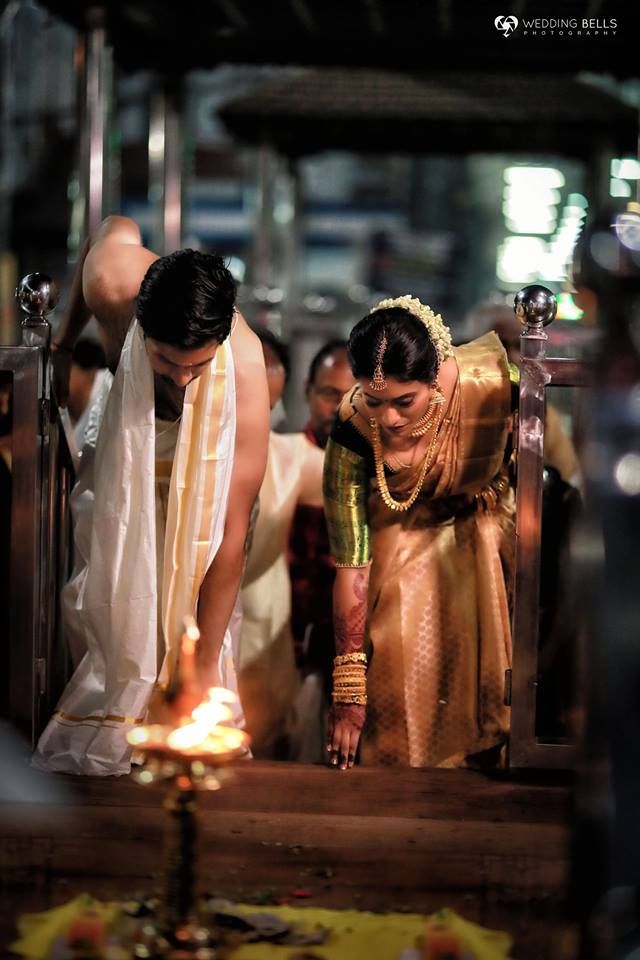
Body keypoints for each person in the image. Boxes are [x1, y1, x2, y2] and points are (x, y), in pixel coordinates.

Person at [32, 215, 270, 776]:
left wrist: (202, 669)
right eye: (168, 363)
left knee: (195, 625)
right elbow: (109, 227)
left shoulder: (247, 369)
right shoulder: (114, 285)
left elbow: (230, 538)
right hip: (127, 448)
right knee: (106, 599)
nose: (184, 380)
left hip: (207, 506)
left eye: (199, 366)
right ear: (139, 327)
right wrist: (64, 341)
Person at [323, 294, 516, 770]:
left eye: (404, 401)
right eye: (375, 400)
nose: (388, 418)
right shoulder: (352, 430)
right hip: (395, 571)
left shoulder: (489, 388)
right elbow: (352, 563)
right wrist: (349, 683)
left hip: (482, 557)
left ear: (435, 377)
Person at [235, 326, 324, 758]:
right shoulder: (173, 452)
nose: (258, 420)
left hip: (259, 654)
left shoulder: (289, 457)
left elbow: (358, 481)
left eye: (269, 407)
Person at [288, 341, 355, 737]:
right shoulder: (278, 458)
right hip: (282, 638)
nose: (341, 407)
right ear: (307, 392)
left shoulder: (383, 472)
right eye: (330, 394)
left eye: (353, 396)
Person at [465, 301, 580, 485]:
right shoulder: (455, 405)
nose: (510, 355)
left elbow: (565, 472)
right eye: (499, 344)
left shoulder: (545, 416)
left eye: (519, 346)